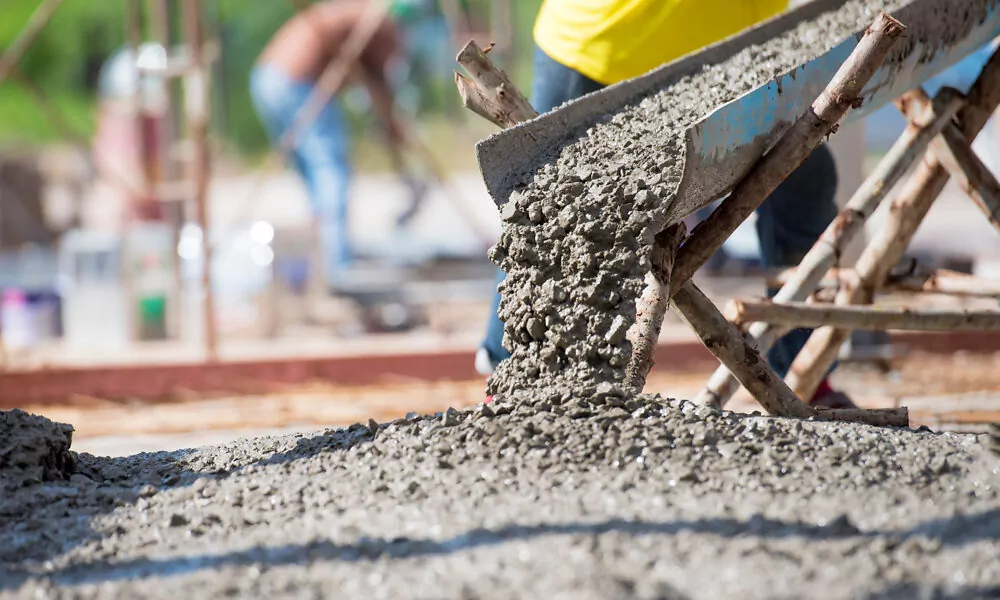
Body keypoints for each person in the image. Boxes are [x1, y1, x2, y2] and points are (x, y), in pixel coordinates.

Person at [476, 0, 855, 408]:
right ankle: (515, 380)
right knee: (557, 219)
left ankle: (805, 373)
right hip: (605, 49)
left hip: (738, 57)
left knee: (805, 182)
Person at [250, 0, 409, 291]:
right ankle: (337, 268)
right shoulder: (382, 25)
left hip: (266, 79)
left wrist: (390, 126)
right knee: (330, 168)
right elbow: (380, 82)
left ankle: (321, 257)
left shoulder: (356, 14)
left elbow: (374, 82)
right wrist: (392, 127)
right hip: (296, 81)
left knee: (314, 178)